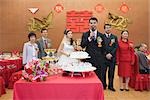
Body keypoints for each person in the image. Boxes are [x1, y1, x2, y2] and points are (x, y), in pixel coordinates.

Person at [81, 17, 105, 86]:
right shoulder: (85, 34)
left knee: (98, 76)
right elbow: (82, 45)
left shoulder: (101, 35)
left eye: (94, 23)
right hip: (88, 58)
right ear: (89, 24)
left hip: (98, 59)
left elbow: (104, 48)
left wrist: (101, 57)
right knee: (88, 75)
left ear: (97, 24)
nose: (93, 24)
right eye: (91, 23)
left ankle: (97, 90)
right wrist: (89, 38)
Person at [102, 24, 118, 91]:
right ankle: (104, 85)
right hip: (104, 57)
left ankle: (111, 86)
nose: (108, 29)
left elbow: (116, 47)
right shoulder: (101, 37)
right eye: (106, 28)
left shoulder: (114, 37)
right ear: (104, 29)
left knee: (111, 72)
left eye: (109, 28)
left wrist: (111, 54)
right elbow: (101, 47)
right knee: (103, 72)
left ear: (111, 28)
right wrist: (106, 54)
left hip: (112, 58)